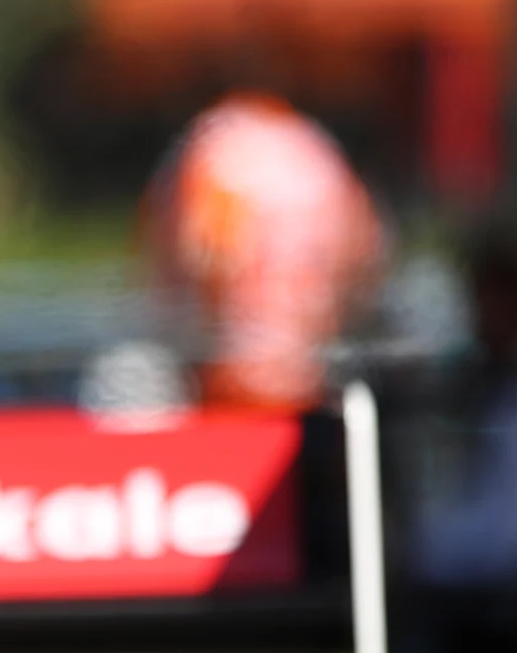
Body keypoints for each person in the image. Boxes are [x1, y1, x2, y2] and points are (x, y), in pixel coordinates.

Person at [140, 90, 381, 412]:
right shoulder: (315, 156)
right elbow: (365, 252)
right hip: (294, 380)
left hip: (234, 383)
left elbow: (191, 253)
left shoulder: (217, 154)